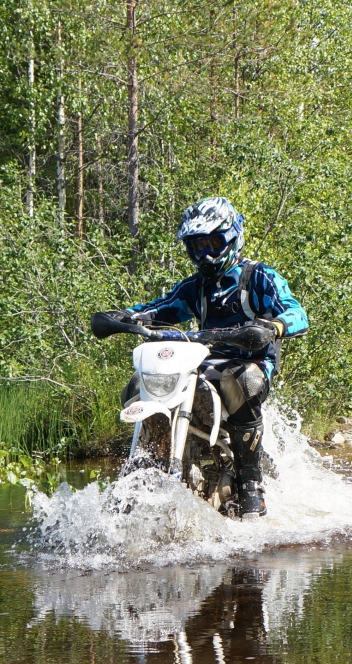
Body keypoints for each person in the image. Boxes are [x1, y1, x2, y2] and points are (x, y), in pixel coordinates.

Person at [91, 197, 309, 518]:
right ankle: (144, 465)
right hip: (201, 362)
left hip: (246, 364)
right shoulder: (195, 287)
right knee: (141, 380)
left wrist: (272, 327)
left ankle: (251, 485)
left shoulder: (258, 277)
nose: (205, 253)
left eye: (213, 242)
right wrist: (122, 317)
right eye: (197, 246)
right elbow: (159, 309)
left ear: (233, 237)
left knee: (242, 380)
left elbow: (298, 313)